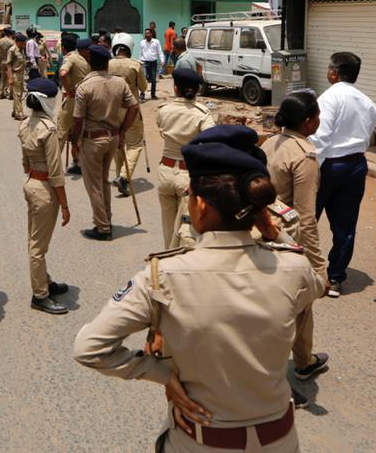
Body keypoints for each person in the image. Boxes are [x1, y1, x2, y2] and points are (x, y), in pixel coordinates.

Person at [73, 125, 325, 453]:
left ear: (201, 206)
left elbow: (88, 348)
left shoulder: (161, 276)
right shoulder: (294, 269)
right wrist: (278, 235)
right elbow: (318, 284)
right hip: (280, 441)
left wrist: (160, 373)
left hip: (200, 442)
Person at [261, 91, 331, 391]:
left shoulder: (269, 143)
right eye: (317, 116)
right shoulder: (305, 155)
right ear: (307, 121)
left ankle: (298, 362)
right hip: (287, 240)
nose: (319, 120)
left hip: (263, 231)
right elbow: (306, 217)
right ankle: (296, 367)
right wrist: (319, 266)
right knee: (299, 305)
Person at [310, 52, 376, 298]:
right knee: (345, 225)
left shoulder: (329, 98)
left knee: (308, 220)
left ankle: (304, 272)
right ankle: (336, 277)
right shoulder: (368, 102)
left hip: (330, 165)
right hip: (356, 165)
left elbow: (320, 137)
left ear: (334, 73)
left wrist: (312, 168)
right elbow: (368, 135)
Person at [72, 44, 139, 241]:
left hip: (93, 140)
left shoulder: (85, 87)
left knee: (94, 185)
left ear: (90, 62)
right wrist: (123, 130)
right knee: (102, 181)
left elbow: (77, 120)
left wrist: (74, 142)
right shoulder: (119, 83)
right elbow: (133, 107)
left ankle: (102, 227)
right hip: (113, 137)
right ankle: (106, 219)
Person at [18, 78, 71, 315]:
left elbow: (24, 162)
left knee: (36, 238)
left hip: (31, 182)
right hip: (44, 188)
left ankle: (45, 280)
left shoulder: (24, 124)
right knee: (38, 246)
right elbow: (56, 172)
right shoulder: (49, 130)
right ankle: (40, 294)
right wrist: (65, 204)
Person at [156, 69, 216, 250]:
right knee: (186, 231)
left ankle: (166, 262)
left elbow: (160, 128)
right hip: (188, 176)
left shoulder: (164, 110)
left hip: (165, 173)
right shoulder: (202, 114)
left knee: (168, 228)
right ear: (197, 90)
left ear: (175, 88)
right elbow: (211, 140)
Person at [109, 34, 149, 198]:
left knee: (118, 143)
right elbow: (144, 88)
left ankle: (119, 174)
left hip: (111, 111)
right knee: (134, 145)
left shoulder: (108, 64)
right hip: (130, 110)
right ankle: (124, 177)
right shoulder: (135, 65)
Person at [57, 36, 91, 175]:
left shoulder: (70, 58)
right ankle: (78, 161)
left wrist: (68, 88)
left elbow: (63, 73)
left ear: (64, 48)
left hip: (72, 100)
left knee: (62, 132)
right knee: (79, 132)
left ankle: (52, 163)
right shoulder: (84, 61)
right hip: (85, 100)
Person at [7, 33, 29, 120]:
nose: (24, 44)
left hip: (21, 74)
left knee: (18, 94)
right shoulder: (12, 50)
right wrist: (10, 78)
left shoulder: (21, 49)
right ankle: (20, 113)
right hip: (15, 74)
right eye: (23, 42)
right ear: (18, 42)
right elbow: (8, 64)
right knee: (17, 94)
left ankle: (14, 111)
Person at [140, 28, 163, 100]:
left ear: (151, 34)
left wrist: (162, 60)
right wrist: (140, 62)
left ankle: (153, 95)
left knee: (153, 79)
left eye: (148, 33)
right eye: (145, 33)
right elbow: (140, 53)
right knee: (143, 79)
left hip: (153, 63)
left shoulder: (156, 42)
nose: (146, 34)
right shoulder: (142, 42)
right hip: (144, 63)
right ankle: (142, 94)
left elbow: (160, 51)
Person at [0, 28, 14, 99]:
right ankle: (11, 94)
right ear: (10, 34)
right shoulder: (12, 42)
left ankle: (1, 93)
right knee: (10, 77)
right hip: (10, 61)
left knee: (2, 77)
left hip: (2, 61)